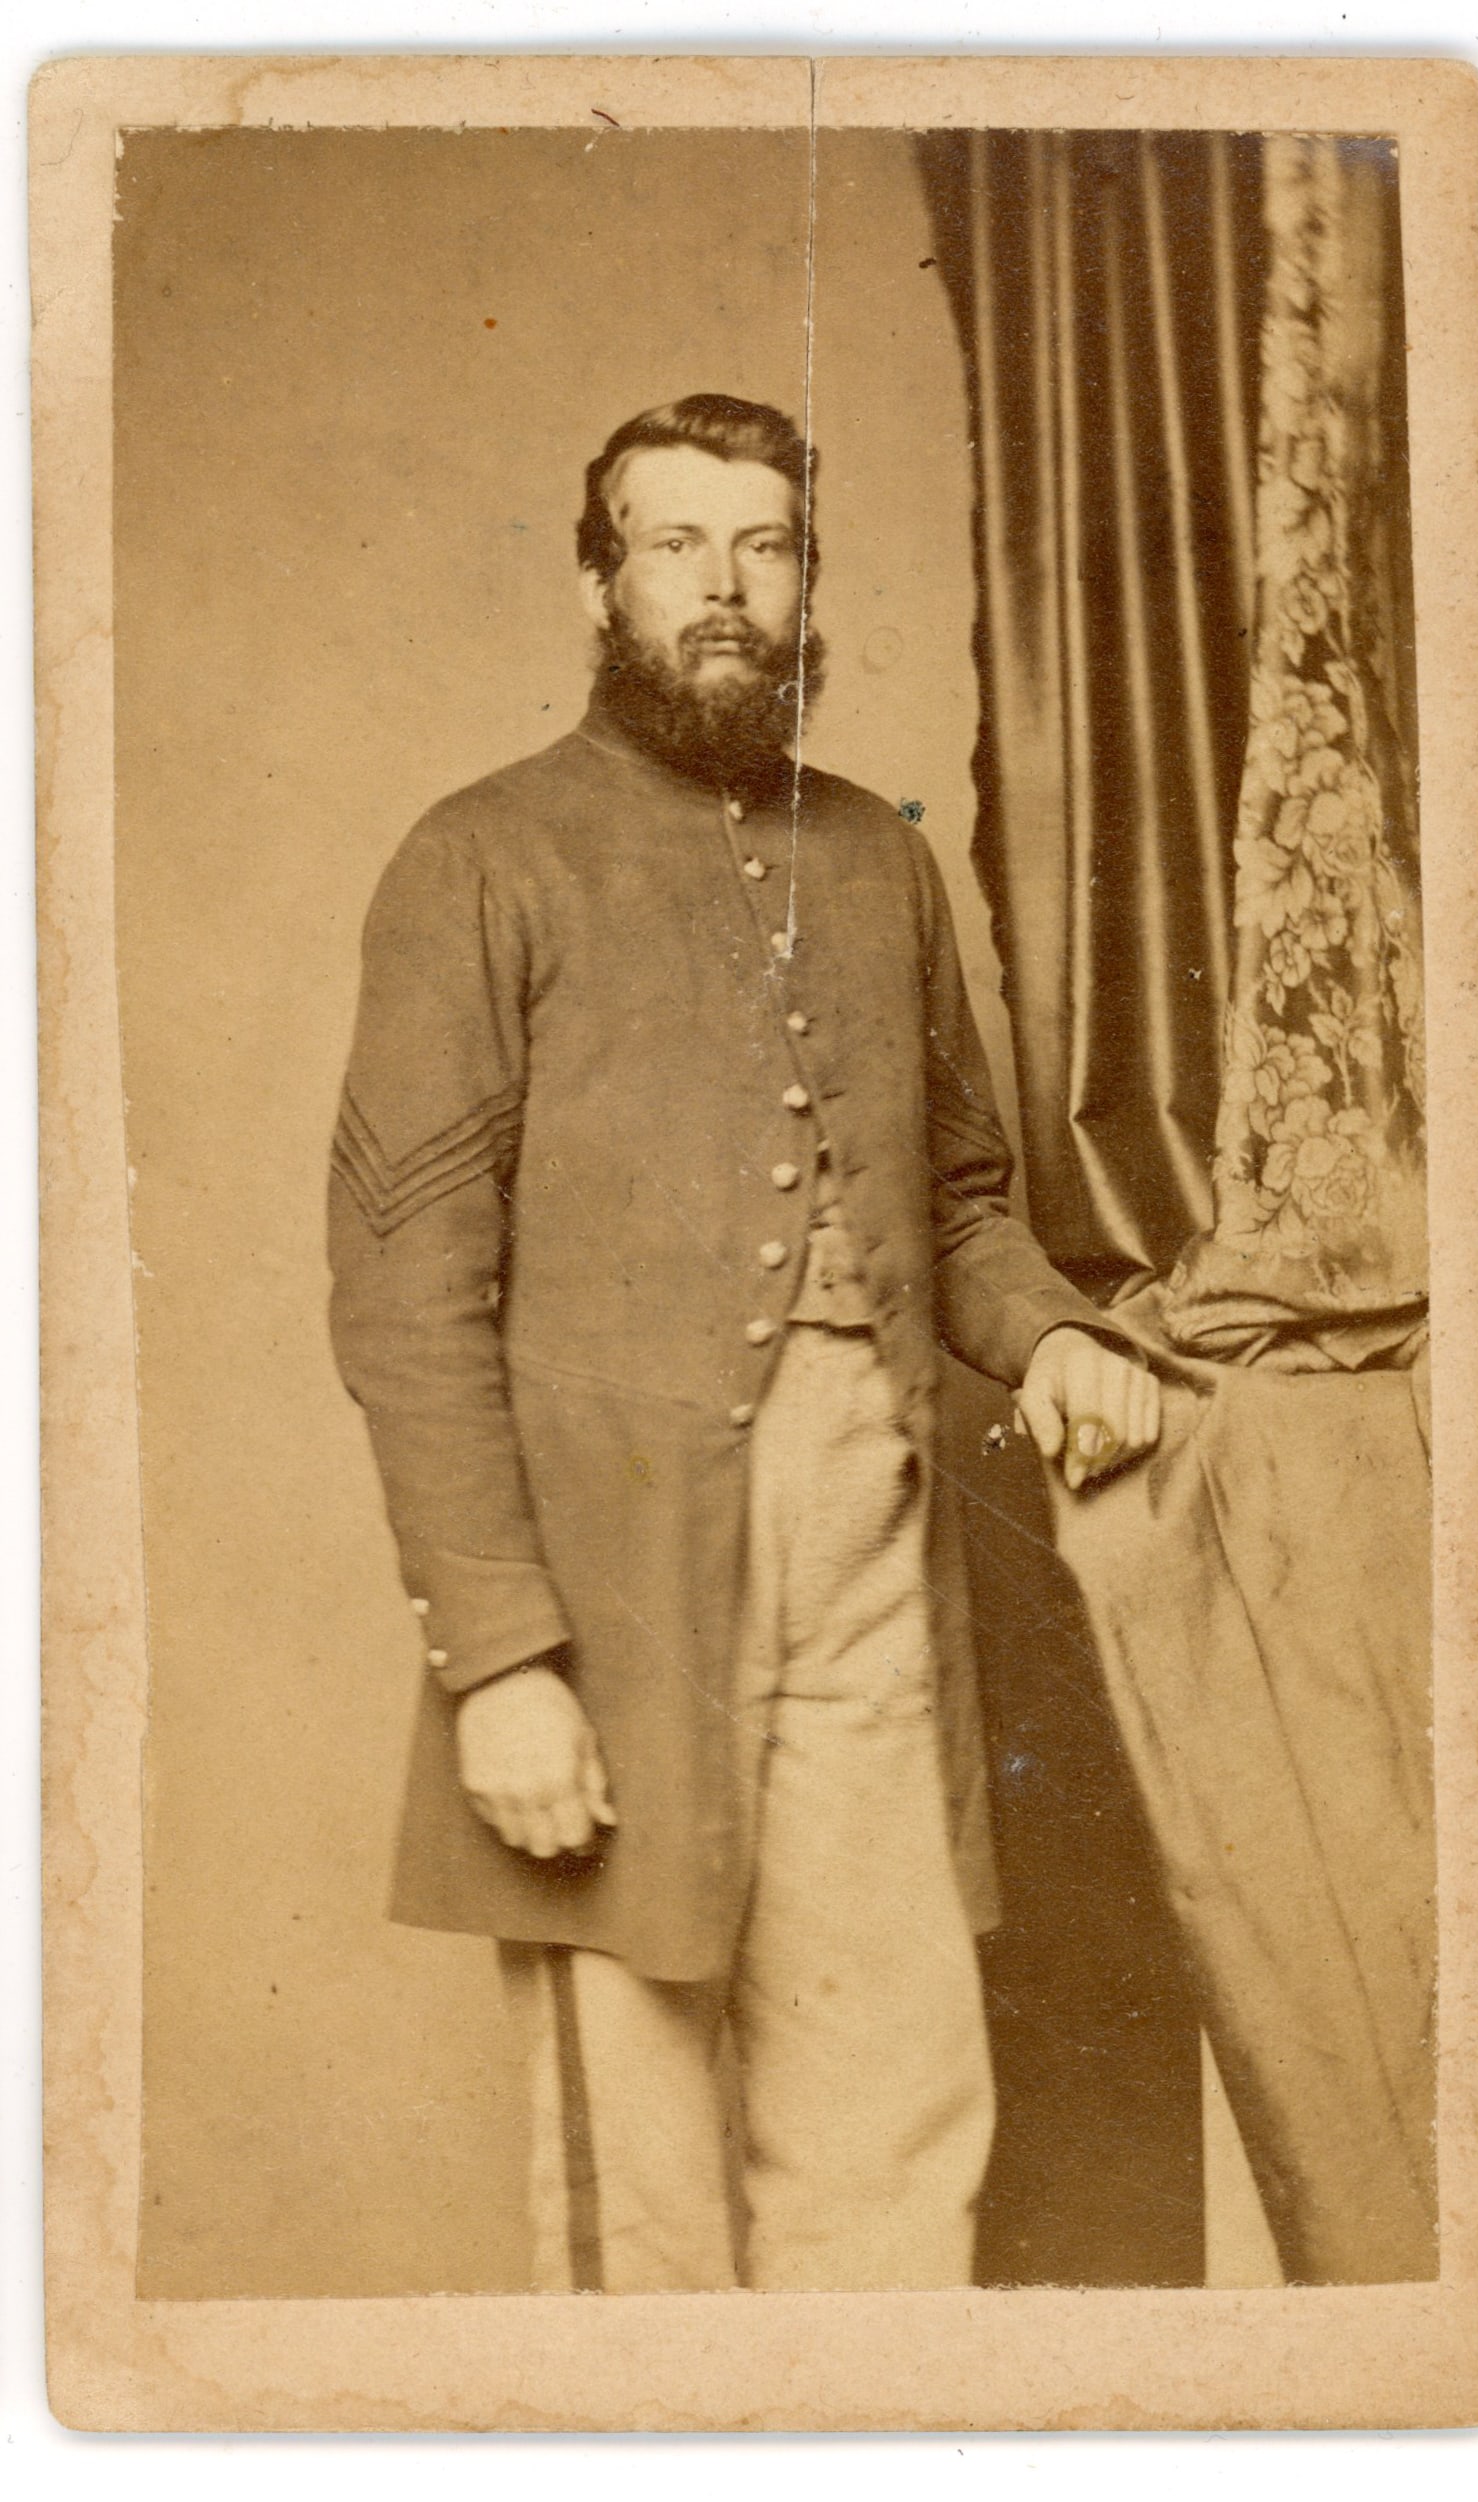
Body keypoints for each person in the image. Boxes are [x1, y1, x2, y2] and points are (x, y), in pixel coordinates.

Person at [328, 393, 1159, 2294]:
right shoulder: (478, 859)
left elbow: (957, 1201)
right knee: (644, 2214)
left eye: (762, 544)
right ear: (598, 577)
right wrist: (503, 1659)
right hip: (611, 1599)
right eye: (675, 541)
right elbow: (401, 1293)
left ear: (806, 582)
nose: (722, 585)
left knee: (895, 2143)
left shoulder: (880, 857)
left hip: (874, 1574)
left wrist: (1044, 1341)